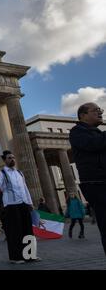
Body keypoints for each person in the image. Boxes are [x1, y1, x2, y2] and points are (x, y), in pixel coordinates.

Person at [69, 102, 106, 255]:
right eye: (96, 110)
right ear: (83, 115)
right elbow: (93, 145)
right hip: (97, 184)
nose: (100, 112)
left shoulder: (98, 132)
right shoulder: (77, 132)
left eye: (100, 110)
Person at [0, 150, 40, 264]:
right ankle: (16, 257)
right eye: (9, 158)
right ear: (4, 160)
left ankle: (30, 255)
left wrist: (30, 203)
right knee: (15, 232)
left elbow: (25, 188)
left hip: (23, 204)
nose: (12, 159)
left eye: (13, 157)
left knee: (28, 230)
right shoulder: (2, 173)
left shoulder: (19, 172)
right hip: (11, 206)